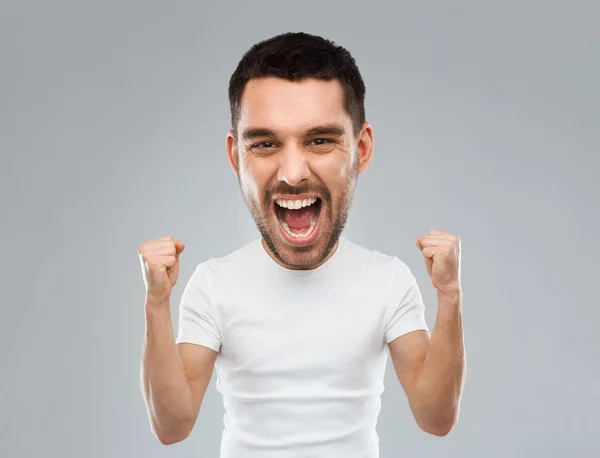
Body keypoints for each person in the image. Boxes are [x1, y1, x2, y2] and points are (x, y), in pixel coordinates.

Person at [138, 32, 465, 458]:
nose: (293, 173)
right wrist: (156, 303)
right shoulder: (214, 284)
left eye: (320, 140)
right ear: (237, 157)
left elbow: (435, 417)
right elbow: (172, 426)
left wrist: (451, 295)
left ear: (361, 149)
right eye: (266, 143)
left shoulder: (387, 281)